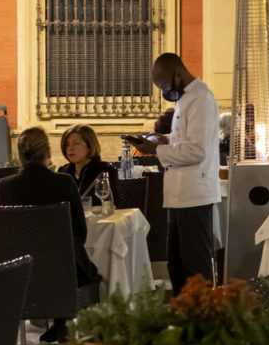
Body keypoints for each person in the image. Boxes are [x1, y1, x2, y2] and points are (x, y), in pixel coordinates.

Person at [0, 126, 99, 345]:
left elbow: (5, 231)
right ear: (48, 152)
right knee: (71, 262)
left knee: (57, 262)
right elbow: (80, 231)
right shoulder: (63, 183)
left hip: (21, 271)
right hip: (61, 271)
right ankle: (65, 338)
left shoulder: (6, 186)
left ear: (21, 154)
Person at [124, 53, 220, 294]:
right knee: (176, 264)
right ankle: (182, 316)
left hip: (194, 195)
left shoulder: (201, 99)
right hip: (178, 195)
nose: (164, 90)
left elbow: (197, 151)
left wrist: (157, 149)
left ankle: (203, 321)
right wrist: (160, 138)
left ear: (178, 73)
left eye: (165, 84)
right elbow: (182, 140)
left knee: (195, 266)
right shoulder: (184, 99)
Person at [56, 124, 118, 206]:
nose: (70, 148)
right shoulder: (63, 172)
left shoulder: (105, 171)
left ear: (89, 146)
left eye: (76, 143)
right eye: (67, 144)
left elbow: (115, 204)